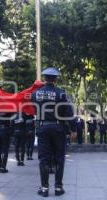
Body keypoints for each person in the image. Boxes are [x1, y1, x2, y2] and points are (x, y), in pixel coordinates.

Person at [32, 67, 76, 197]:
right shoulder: (61, 94)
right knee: (59, 159)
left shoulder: (35, 94)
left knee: (43, 159)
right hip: (58, 128)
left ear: (44, 79)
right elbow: (68, 113)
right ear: (56, 79)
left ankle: (44, 188)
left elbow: (34, 109)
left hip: (42, 128)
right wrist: (73, 129)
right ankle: (58, 188)